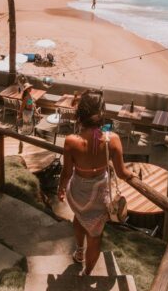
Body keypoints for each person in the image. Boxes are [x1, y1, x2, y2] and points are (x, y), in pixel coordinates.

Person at [57, 90, 134, 274]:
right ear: (102, 113)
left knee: (79, 217)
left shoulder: (71, 141)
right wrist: (134, 176)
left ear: (80, 113)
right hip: (98, 198)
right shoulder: (112, 140)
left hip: (76, 195)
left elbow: (66, 173)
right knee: (95, 236)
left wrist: (60, 188)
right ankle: (86, 273)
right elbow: (123, 173)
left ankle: (79, 251)